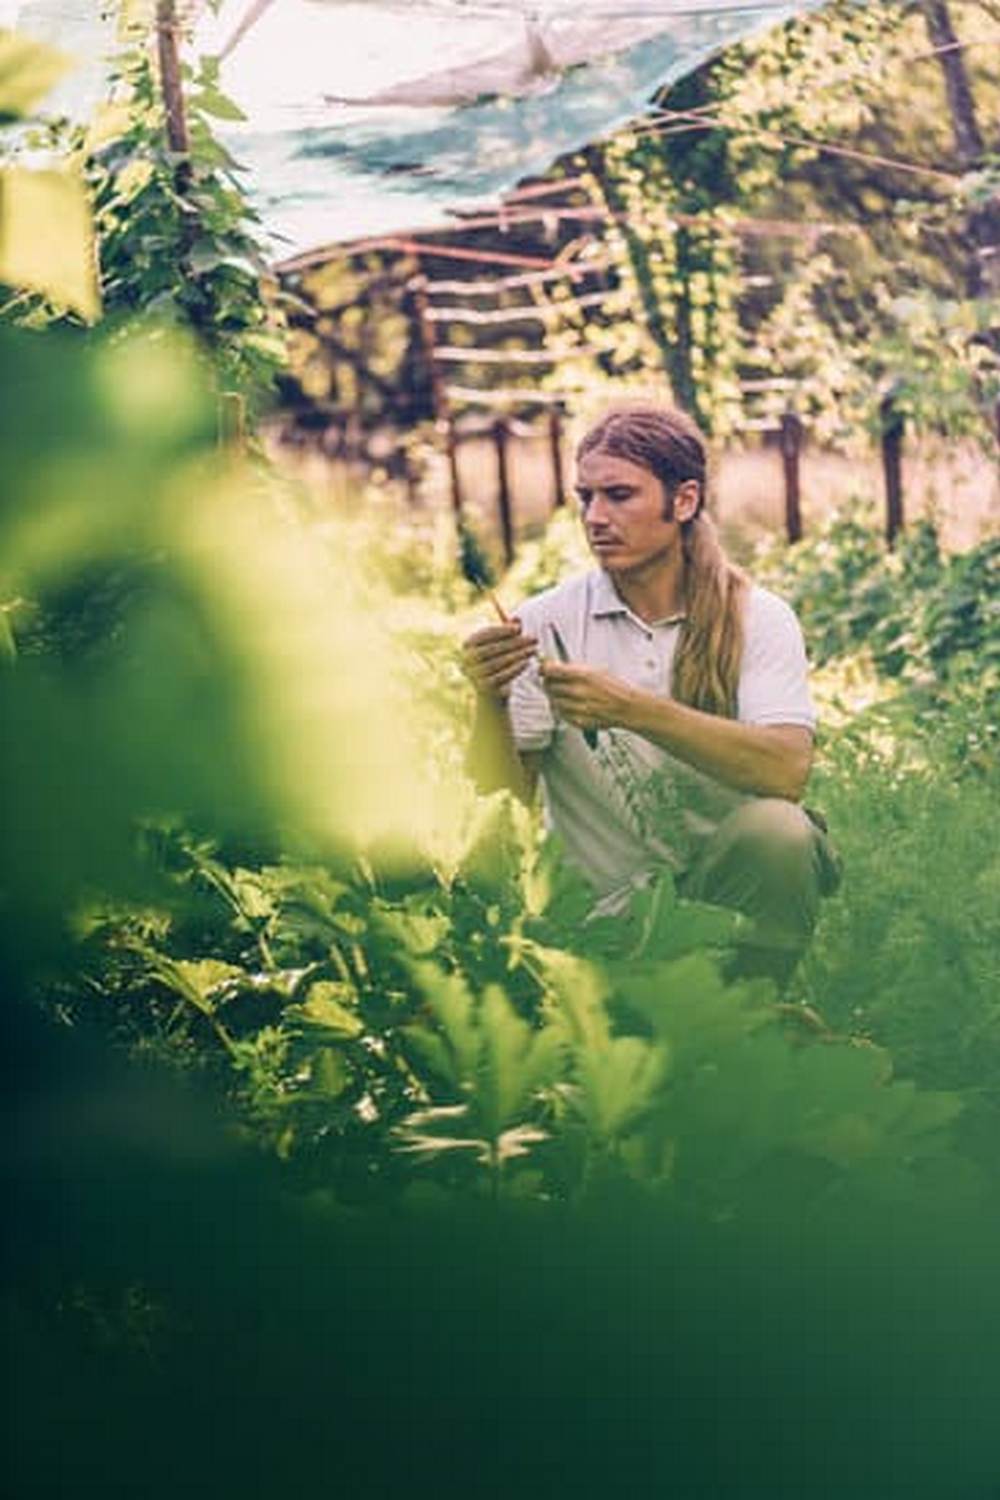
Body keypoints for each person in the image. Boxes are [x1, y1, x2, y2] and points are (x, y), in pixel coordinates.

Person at [461, 402, 840, 985]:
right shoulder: (547, 623)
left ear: (683, 501)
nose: (595, 516)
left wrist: (634, 711)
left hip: (726, 902)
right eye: (585, 497)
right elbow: (502, 807)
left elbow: (786, 770)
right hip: (601, 919)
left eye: (619, 495)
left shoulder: (757, 619)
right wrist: (490, 703)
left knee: (782, 832)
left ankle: (755, 1008)